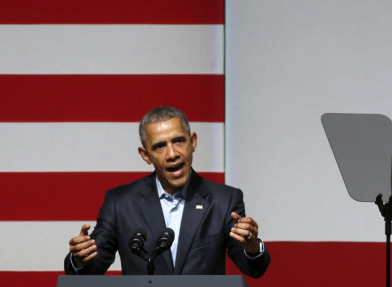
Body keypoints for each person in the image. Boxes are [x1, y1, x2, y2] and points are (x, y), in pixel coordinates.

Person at [64, 106, 270, 277]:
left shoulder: (224, 200)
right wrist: (80, 259)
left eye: (179, 141)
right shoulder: (120, 203)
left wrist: (252, 247)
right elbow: (90, 269)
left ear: (193, 142)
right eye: (160, 146)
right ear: (146, 155)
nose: (172, 154)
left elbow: (253, 268)